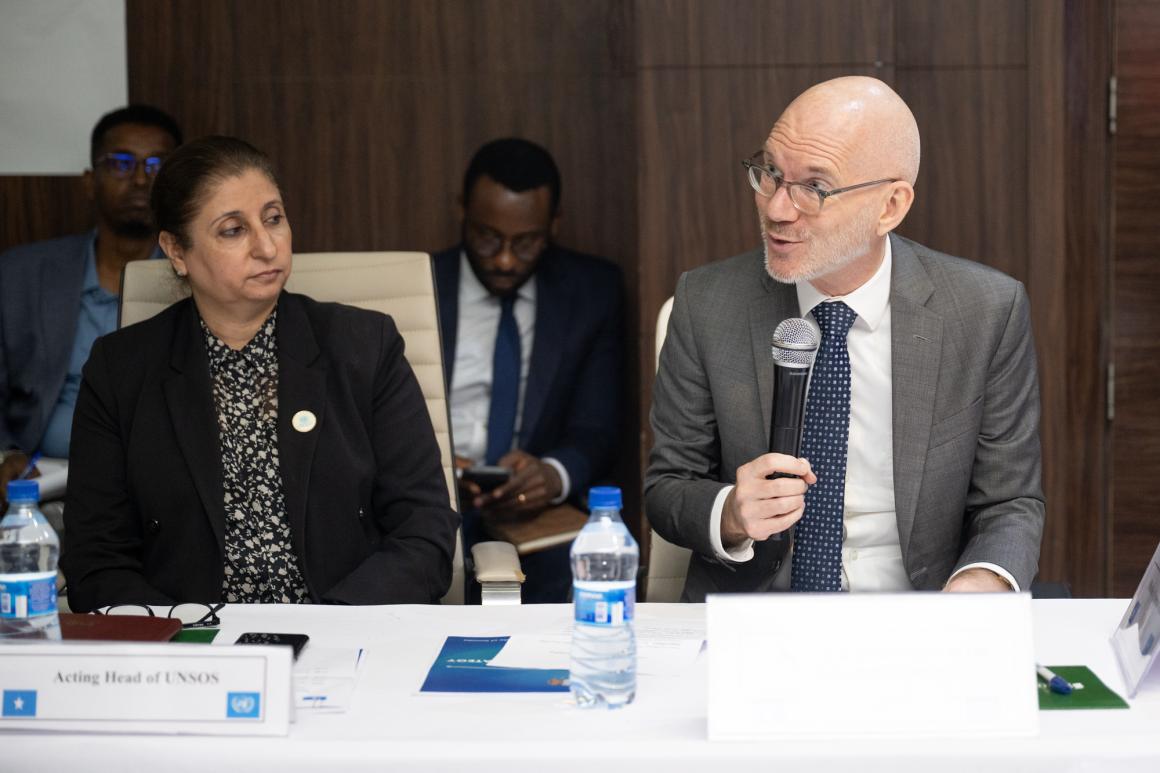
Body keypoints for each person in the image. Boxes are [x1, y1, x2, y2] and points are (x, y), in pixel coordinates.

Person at [646, 76, 1045, 600]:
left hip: (917, 610)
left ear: (890, 206)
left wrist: (978, 583)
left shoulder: (984, 311)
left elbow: (1009, 502)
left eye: (814, 188)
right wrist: (731, 514)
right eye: (771, 174)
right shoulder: (707, 303)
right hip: (756, 615)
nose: (777, 209)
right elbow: (668, 487)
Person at [61, 136, 458, 609]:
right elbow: (96, 558)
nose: (267, 247)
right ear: (176, 250)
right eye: (233, 230)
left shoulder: (364, 345)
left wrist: (334, 625)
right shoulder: (120, 368)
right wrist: (183, 635)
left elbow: (424, 528)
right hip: (189, 641)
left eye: (274, 219)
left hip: (349, 630)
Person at [433, 138, 624, 603]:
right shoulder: (421, 282)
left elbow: (597, 427)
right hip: (432, 502)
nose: (504, 259)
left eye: (526, 242)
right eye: (487, 237)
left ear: (553, 224)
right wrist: (435, 466)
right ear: (462, 211)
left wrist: (553, 474)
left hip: (535, 518)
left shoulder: (592, 291)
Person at [0, 105, 183, 510]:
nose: (140, 179)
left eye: (157, 165)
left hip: (162, 494)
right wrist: (4, 455)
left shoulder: (200, 279)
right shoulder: (21, 275)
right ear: (89, 181)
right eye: (121, 163)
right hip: (43, 491)